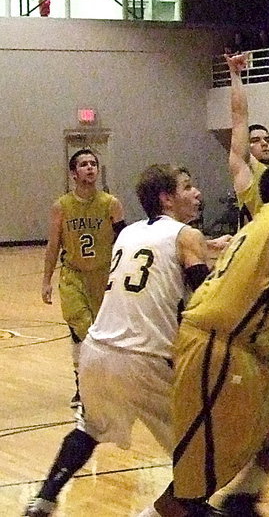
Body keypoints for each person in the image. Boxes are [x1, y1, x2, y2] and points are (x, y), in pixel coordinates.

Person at [25, 165, 217, 517]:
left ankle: (44, 499)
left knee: (88, 429)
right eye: (188, 187)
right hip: (144, 355)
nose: (197, 193)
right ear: (166, 198)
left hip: (98, 350)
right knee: (202, 450)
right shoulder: (186, 235)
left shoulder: (128, 235)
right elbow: (207, 294)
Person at [156, 159, 269, 517]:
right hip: (218, 349)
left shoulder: (261, 220)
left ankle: (244, 496)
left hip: (248, 352)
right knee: (188, 493)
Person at [41, 148, 126, 404]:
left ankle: (105, 381)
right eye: (84, 164)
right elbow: (53, 245)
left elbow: (124, 241)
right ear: (73, 173)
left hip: (103, 276)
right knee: (80, 330)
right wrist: (46, 280)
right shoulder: (62, 206)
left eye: (93, 164)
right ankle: (82, 385)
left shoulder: (111, 203)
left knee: (104, 333)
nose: (90, 168)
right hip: (73, 275)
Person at [226, 52, 269, 227]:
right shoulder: (247, 170)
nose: (264, 143)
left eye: (267, 139)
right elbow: (239, 117)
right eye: (256, 140)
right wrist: (235, 75)